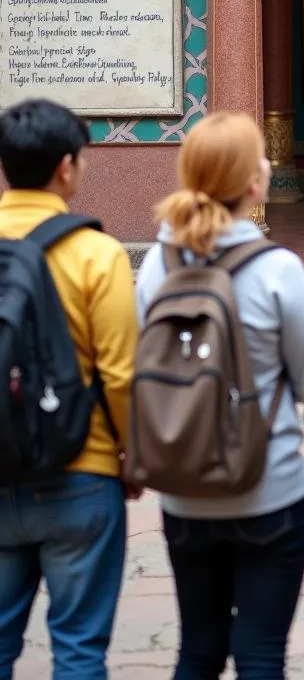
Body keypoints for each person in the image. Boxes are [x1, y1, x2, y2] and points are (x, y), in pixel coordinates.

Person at [134, 112, 304, 679]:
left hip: (182, 485)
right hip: (269, 483)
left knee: (197, 649)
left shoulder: (154, 268)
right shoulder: (279, 270)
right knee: (261, 653)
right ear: (254, 184)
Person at [0, 99, 138, 679]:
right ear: (65, 167)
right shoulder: (97, 254)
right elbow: (121, 373)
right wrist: (131, 457)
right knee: (79, 647)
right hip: (82, 468)